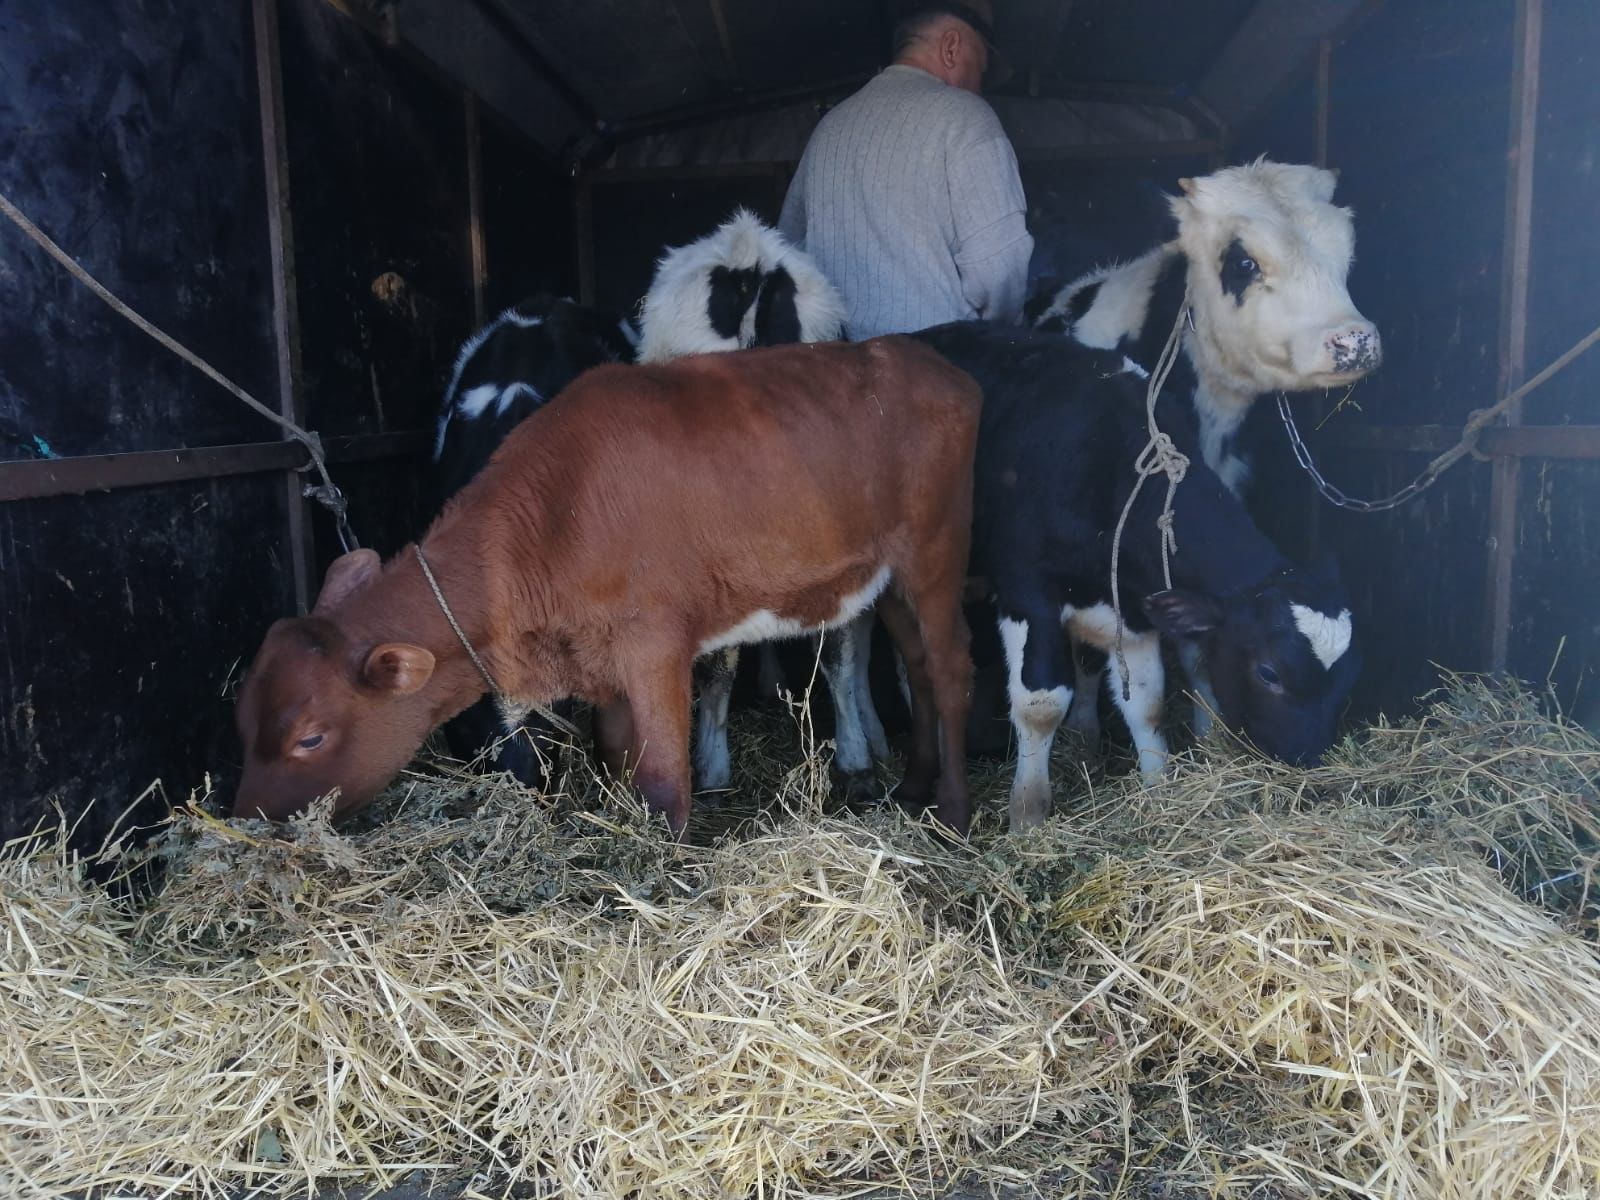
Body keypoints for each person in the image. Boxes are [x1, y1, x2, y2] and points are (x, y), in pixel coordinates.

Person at [778, 1, 1034, 339]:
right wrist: (1002, 336)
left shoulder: (829, 128)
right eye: (981, 69)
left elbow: (787, 251)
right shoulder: (968, 117)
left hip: (837, 377)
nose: (979, 85)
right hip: (936, 374)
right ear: (951, 47)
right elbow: (999, 267)